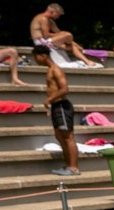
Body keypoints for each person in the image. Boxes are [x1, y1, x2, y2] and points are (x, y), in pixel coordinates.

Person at [33, 45, 76, 175]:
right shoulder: (50, 70)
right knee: (59, 136)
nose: (36, 61)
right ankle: (68, 165)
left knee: (68, 137)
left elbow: (65, 89)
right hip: (56, 107)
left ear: (43, 56)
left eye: (36, 57)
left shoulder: (56, 69)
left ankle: (73, 168)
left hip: (62, 106)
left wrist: (49, 99)